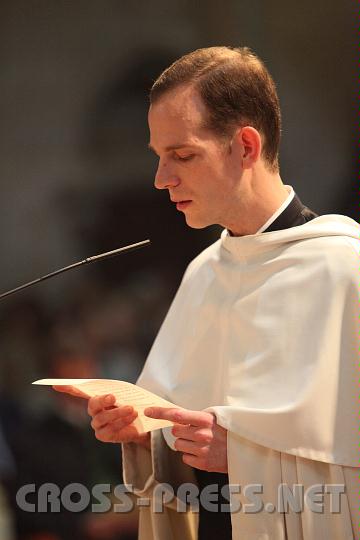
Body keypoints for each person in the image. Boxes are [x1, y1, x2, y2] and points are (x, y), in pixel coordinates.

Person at [56, 46, 359, 539]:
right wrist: (143, 433)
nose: (161, 179)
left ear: (244, 146)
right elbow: (184, 438)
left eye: (183, 155)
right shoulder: (204, 272)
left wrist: (242, 453)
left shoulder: (345, 268)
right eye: (159, 157)